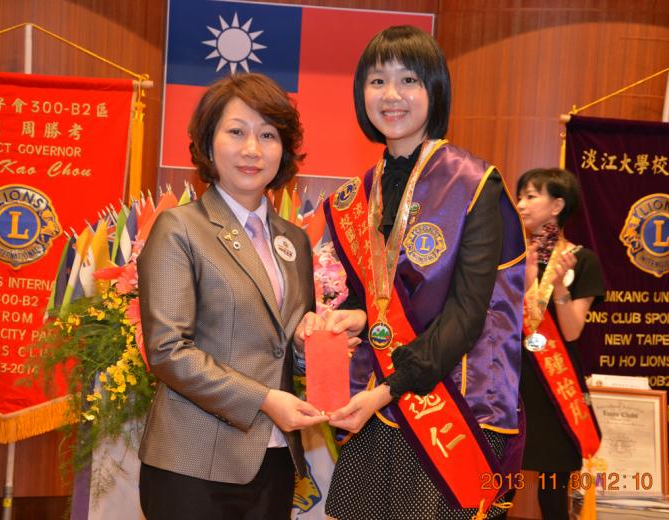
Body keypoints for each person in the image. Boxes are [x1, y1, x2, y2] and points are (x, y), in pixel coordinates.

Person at [318, 25, 527, 519]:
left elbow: (467, 315)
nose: (391, 95)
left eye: (408, 80)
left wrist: (388, 389)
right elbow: (377, 301)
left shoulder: (474, 184)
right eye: (377, 81)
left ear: (434, 90)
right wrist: (350, 319)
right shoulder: (355, 196)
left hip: (454, 410)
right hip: (377, 413)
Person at [136, 73, 328, 519]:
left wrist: (311, 344)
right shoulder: (180, 228)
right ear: (208, 142)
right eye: (237, 132)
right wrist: (263, 399)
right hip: (192, 463)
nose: (252, 149)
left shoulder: (294, 240)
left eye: (268, 135)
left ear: (284, 149)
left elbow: (283, 349)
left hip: (275, 460)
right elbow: (167, 350)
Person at [516, 167, 605, 520]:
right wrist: (527, 277)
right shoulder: (510, 256)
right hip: (510, 381)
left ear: (557, 206)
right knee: (498, 487)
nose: (521, 205)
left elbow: (571, 332)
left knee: (554, 492)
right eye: (520, 197)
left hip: (555, 384)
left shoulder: (582, 260)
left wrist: (558, 286)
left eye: (530, 196)